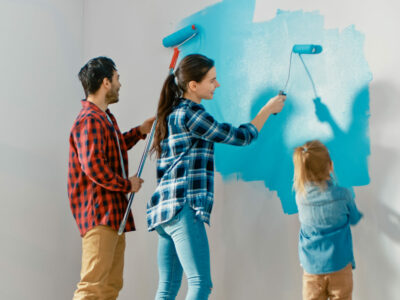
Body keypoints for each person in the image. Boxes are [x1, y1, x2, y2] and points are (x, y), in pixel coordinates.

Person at [148, 54, 286, 299]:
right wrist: (267, 109)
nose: (217, 85)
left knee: (167, 287)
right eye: (212, 80)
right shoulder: (192, 114)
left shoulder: (171, 113)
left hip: (163, 211)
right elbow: (241, 136)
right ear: (193, 85)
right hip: (183, 206)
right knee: (200, 283)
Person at [68, 56, 155, 299]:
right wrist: (128, 184)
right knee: (93, 287)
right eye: (117, 79)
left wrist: (139, 132)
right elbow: (94, 167)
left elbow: (111, 149)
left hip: (113, 214)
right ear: (105, 82)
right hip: (99, 215)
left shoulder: (105, 118)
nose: (120, 84)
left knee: (110, 287)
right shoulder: (89, 120)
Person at [293, 140, 363, 300]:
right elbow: (354, 218)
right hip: (339, 264)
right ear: (330, 165)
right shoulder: (343, 194)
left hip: (312, 268)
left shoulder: (300, 197)